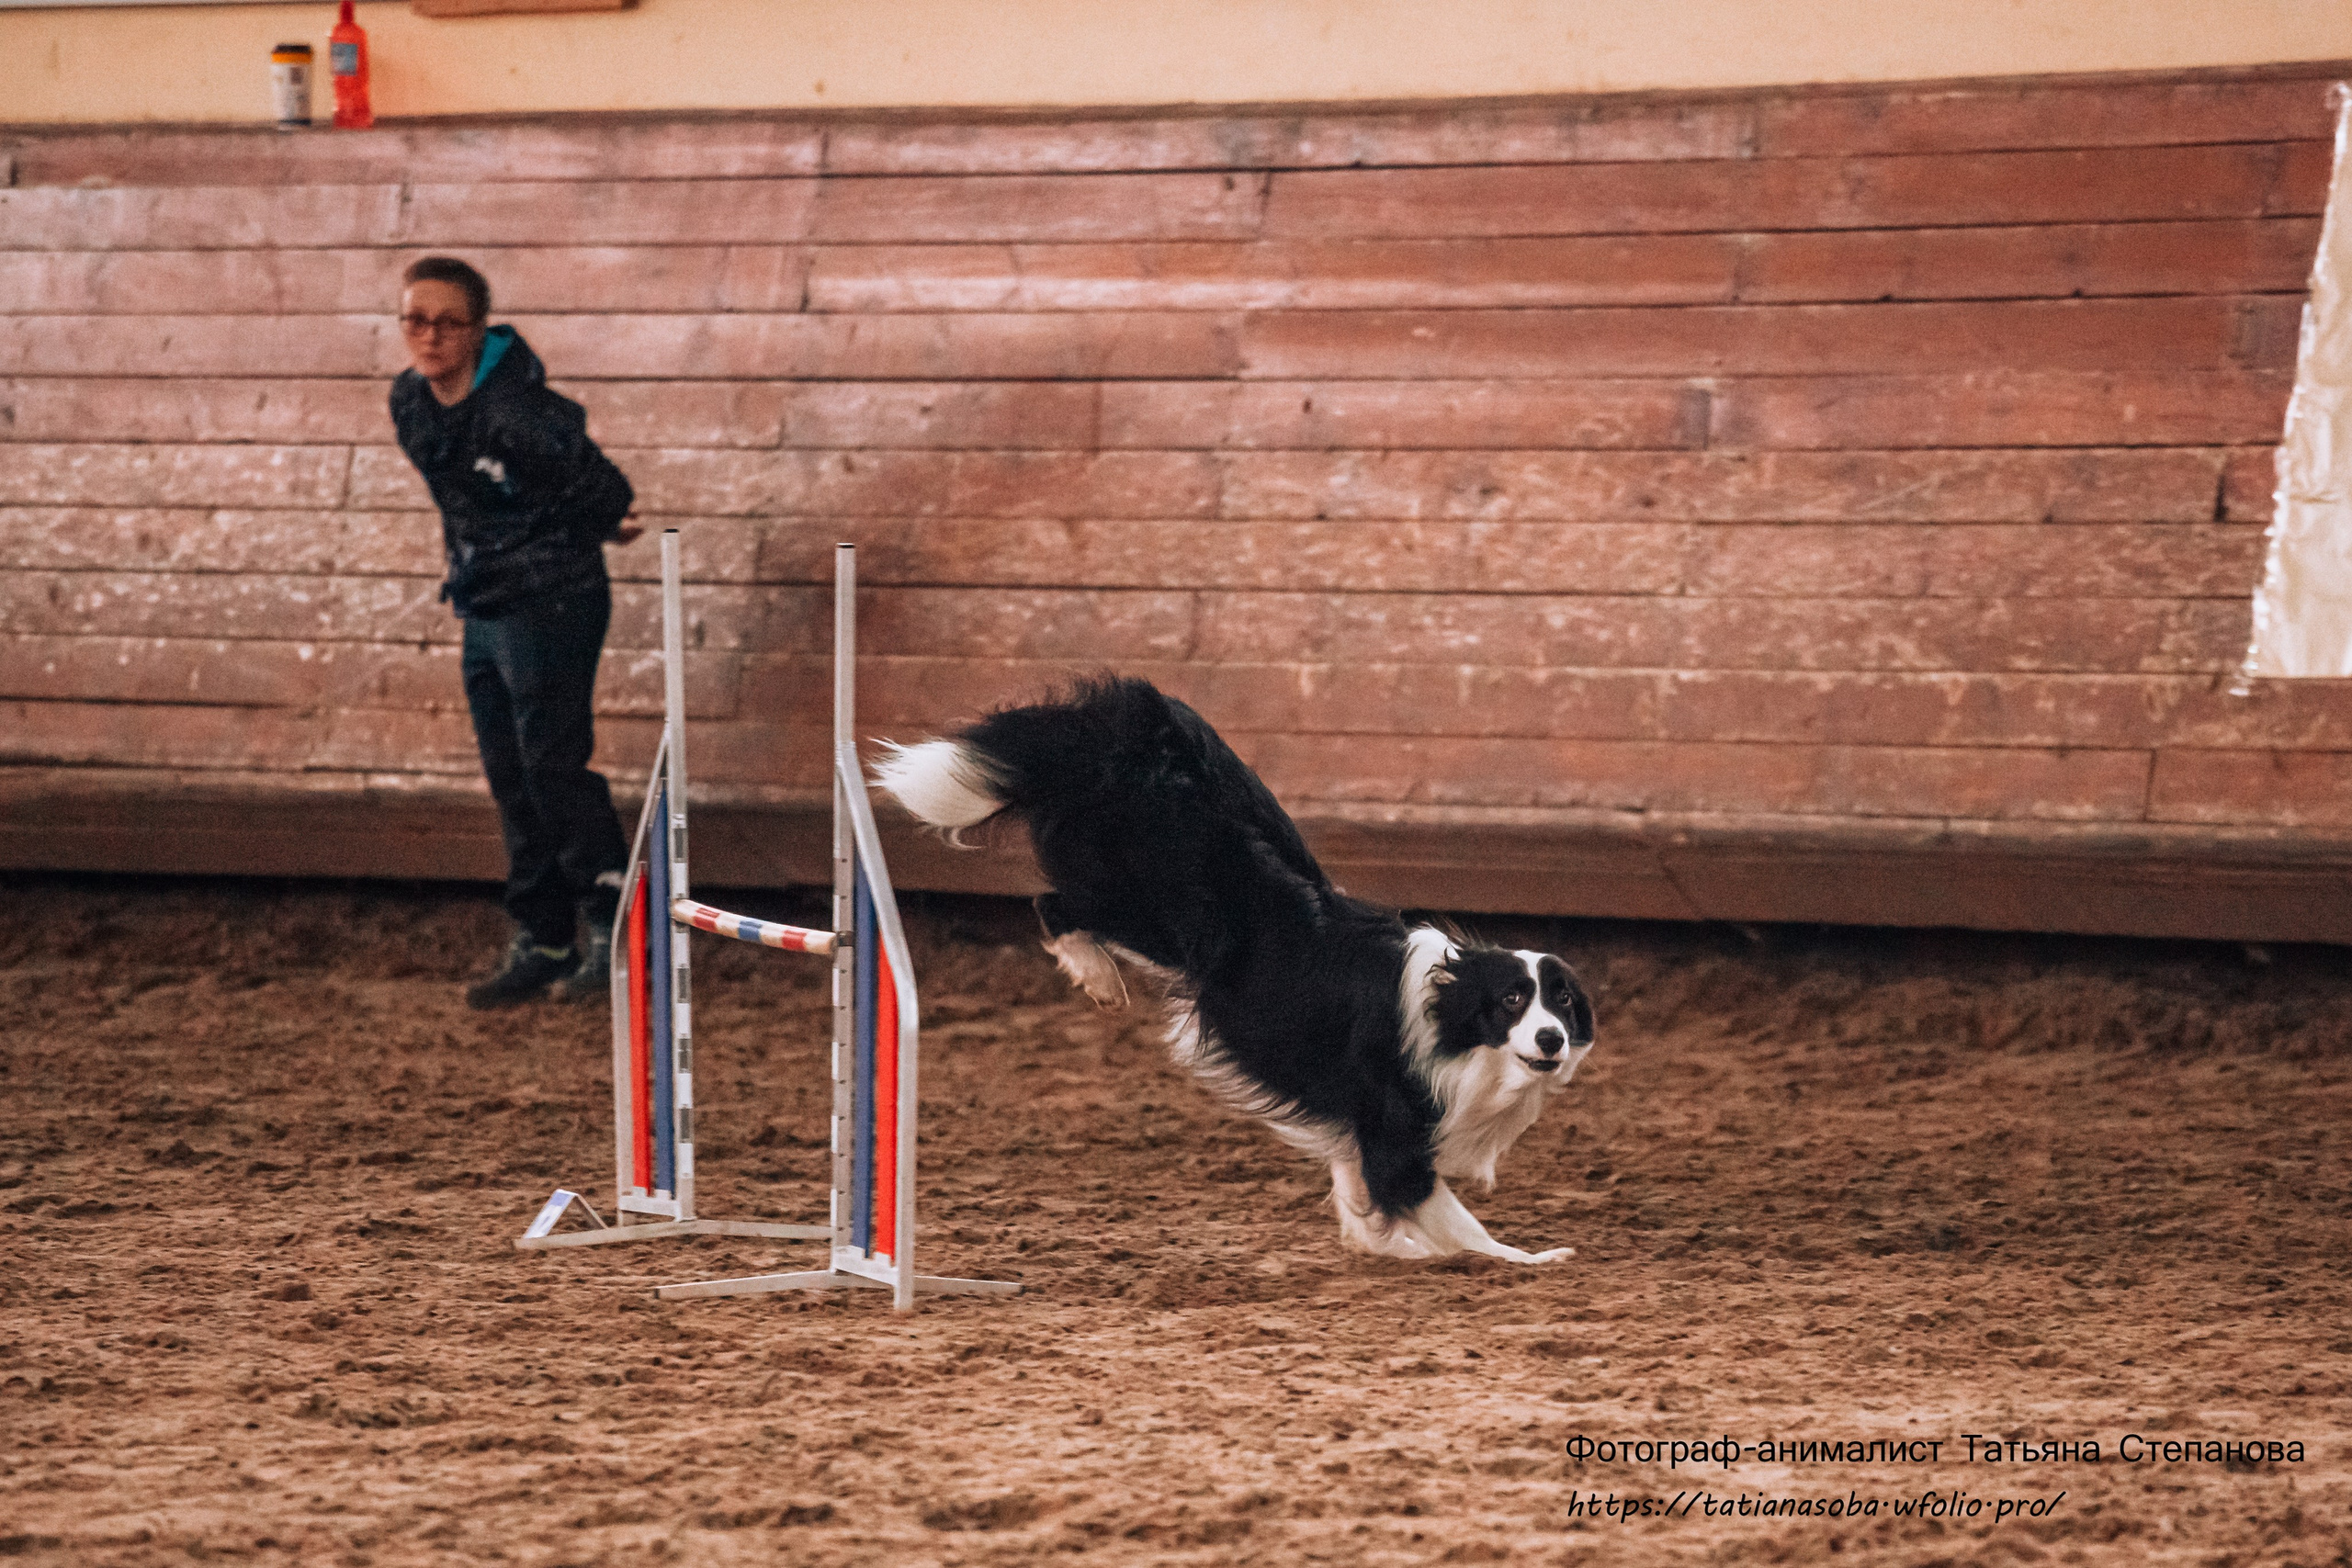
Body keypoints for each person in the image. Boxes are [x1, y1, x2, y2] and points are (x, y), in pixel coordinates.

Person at [390, 255, 641, 1009]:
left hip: (554, 597)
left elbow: (607, 490)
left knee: (552, 765)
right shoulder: (410, 401)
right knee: (510, 772)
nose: (429, 337)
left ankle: (611, 927)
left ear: (477, 329)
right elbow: (460, 494)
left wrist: (586, 526)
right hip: (486, 598)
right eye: (415, 320)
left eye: (447, 322)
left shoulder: (520, 413)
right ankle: (544, 935)